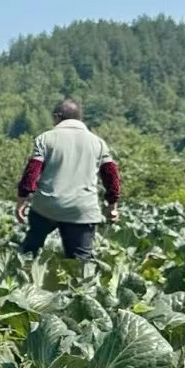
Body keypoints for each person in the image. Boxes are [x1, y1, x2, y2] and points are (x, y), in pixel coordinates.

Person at [16, 98, 121, 260]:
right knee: (81, 263)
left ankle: (24, 273)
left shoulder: (45, 138)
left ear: (57, 117)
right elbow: (111, 176)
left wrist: (21, 201)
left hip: (47, 206)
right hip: (82, 209)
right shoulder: (98, 143)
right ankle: (82, 281)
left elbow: (32, 172)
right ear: (80, 119)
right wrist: (112, 205)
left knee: (30, 251)